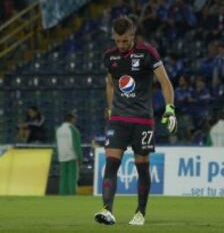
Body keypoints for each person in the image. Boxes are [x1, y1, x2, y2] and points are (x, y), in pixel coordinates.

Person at [94, 16, 176, 226]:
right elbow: (110, 84)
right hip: (119, 119)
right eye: (117, 41)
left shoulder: (147, 53)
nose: (121, 45)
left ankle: (140, 212)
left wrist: (170, 109)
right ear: (113, 37)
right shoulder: (109, 57)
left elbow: (165, 82)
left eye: (125, 41)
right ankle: (107, 210)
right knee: (111, 165)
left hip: (142, 120)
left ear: (133, 35)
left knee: (142, 167)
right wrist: (111, 108)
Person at [55, 112, 83, 195]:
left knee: (63, 177)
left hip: (62, 155)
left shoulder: (58, 130)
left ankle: (63, 193)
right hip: (71, 156)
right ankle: (72, 193)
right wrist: (80, 157)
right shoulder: (73, 130)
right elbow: (76, 145)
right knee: (72, 177)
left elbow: (57, 144)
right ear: (72, 119)